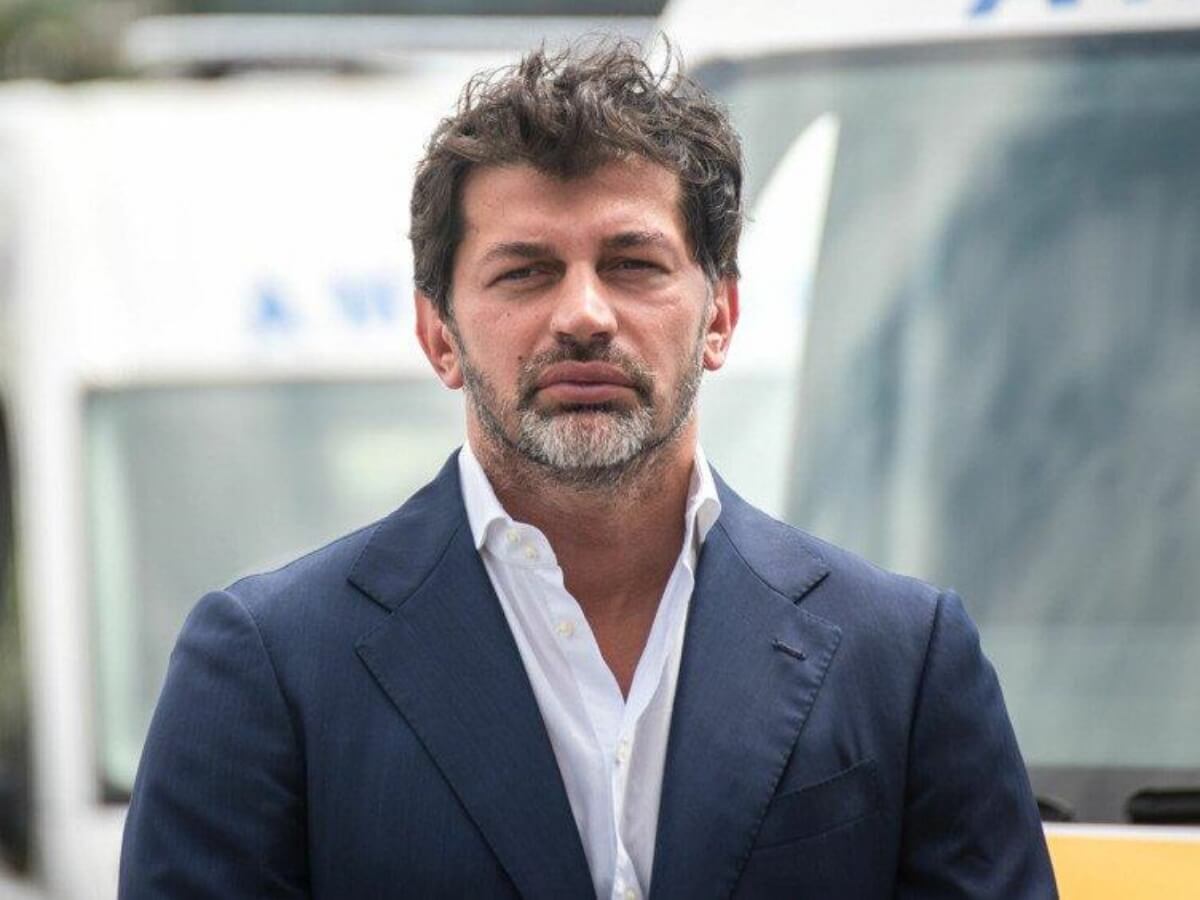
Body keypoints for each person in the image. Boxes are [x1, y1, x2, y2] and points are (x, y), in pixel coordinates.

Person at [119, 43, 1057, 899]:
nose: (584, 315)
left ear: (721, 316)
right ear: (438, 334)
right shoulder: (268, 670)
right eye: (525, 271)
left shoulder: (903, 660)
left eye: (633, 263)